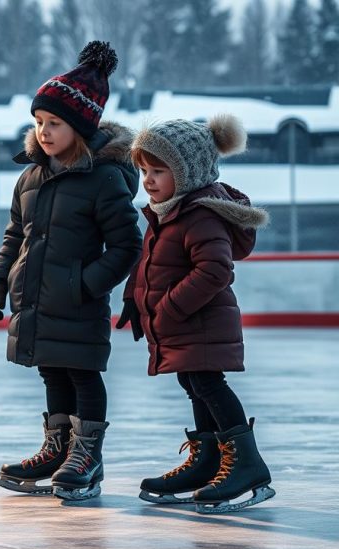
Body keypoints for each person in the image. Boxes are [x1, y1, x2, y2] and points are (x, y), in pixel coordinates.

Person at [0, 41, 142, 501]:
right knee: (52, 372)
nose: (44, 131)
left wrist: (85, 285)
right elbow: (16, 231)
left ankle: (87, 455)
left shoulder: (103, 178)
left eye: (54, 123)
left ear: (80, 125)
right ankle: (58, 447)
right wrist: (0, 277)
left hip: (75, 300)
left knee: (82, 373)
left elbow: (126, 244)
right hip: (36, 299)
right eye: (39, 122)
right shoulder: (31, 176)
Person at [119, 114, 275, 513]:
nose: (148, 180)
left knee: (208, 384)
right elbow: (151, 262)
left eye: (158, 170)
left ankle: (246, 464)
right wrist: (132, 298)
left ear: (187, 173)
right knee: (194, 383)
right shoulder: (168, 212)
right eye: (143, 171)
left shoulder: (200, 215)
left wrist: (168, 309)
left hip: (200, 322)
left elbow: (215, 270)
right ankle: (208, 459)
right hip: (186, 323)